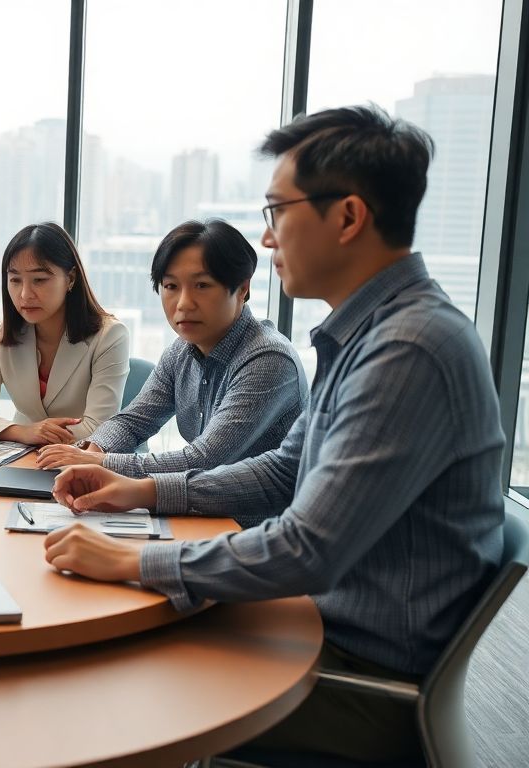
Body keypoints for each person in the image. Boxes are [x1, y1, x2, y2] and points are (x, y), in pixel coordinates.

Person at [42, 105, 504, 764]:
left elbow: (308, 547)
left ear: (347, 217)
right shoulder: (372, 335)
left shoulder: (410, 350)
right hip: (320, 623)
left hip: (360, 674)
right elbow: (284, 472)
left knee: (106, 693)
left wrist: (131, 560)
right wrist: (137, 490)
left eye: (276, 213)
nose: (266, 240)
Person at [37, 220, 307, 499]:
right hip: (197, 511)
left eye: (202, 285)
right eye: (171, 286)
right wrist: (95, 450)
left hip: (250, 526)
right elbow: (132, 422)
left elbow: (205, 460)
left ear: (242, 289)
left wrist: (100, 463)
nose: (183, 303)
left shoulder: (268, 359)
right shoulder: (181, 351)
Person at [0, 222, 129, 445]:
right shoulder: (2, 332)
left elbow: (97, 428)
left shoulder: (111, 336)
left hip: (80, 463)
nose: (25, 294)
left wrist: (37, 434)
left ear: (71, 278)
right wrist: (23, 432)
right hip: (19, 456)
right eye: (15, 280)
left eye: (39, 280)